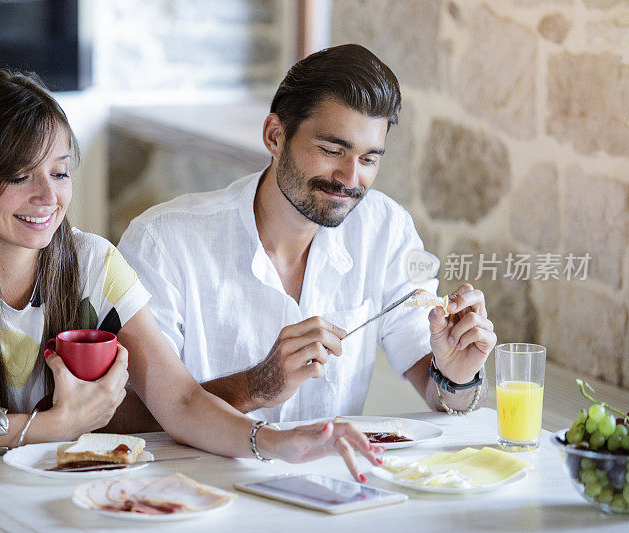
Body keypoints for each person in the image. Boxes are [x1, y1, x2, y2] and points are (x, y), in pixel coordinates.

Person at [0, 70, 381, 532]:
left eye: (60, 172)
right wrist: (47, 427)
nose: (49, 197)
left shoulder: (95, 264)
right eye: (20, 176)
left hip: (26, 511)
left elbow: (181, 402)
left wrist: (275, 443)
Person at [116, 44, 497, 427]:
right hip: (196, 481)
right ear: (275, 136)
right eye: (332, 150)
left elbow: (440, 396)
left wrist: (456, 375)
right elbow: (121, 416)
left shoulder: (385, 229)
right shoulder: (163, 242)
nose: (351, 178)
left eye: (368, 160)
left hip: (332, 479)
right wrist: (256, 386)